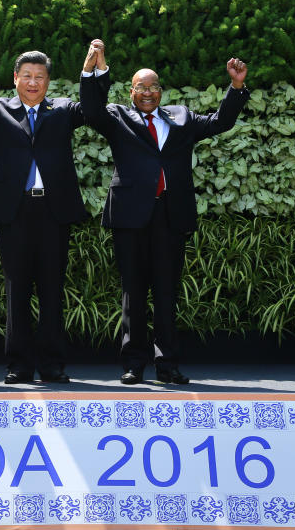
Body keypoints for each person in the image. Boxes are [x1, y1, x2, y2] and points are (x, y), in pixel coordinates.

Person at [80, 41, 249, 385]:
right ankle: (133, 364)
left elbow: (220, 122)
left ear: (161, 91)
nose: (147, 92)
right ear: (131, 90)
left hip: (170, 215)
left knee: (167, 292)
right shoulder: (116, 116)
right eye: (141, 86)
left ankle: (167, 364)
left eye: (153, 86)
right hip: (130, 216)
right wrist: (93, 70)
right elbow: (91, 108)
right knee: (134, 291)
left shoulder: (182, 117)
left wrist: (236, 87)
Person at [0, 39, 100, 384]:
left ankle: (52, 364)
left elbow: (94, 109)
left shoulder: (64, 110)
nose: (33, 82)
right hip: (15, 211)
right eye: (27, 75)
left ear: (48, 81)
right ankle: (19, 365)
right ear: (15, 78)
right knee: (17, 289)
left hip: (53, 212)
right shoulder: (0, 110)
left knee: (52, 290)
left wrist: (89, 70)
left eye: (40, 76)